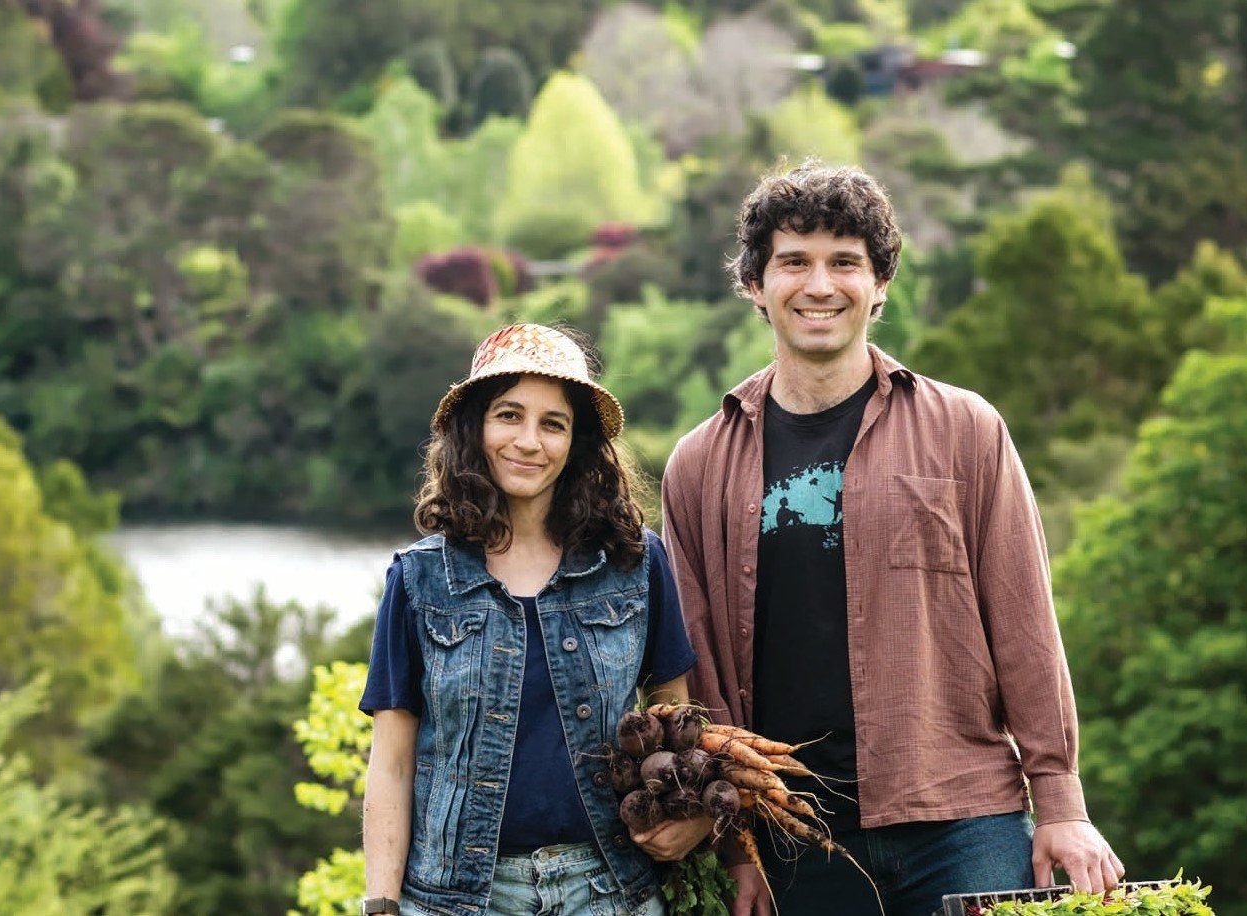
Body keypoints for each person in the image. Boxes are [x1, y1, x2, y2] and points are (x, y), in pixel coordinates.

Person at [659, 163, 1124, 916]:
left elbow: (1024, 621)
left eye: (845, 262)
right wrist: (734, 845)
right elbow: (699, 669)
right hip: (792, 838)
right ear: (755, 284)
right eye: (794, 262)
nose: (820, 285)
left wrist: (1062, 803)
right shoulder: (697, 463)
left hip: (962, 819)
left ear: (879, 284)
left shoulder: (964, 429)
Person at [358, 324, 699, 916]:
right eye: (508, 415)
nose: (528, 441)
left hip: (609, 889)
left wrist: (688, 816)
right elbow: (391, 763)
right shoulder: (418, 580)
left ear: (578, 442)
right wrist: (381, 904)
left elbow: (678, 719)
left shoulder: (635, 563)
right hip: (456, 900)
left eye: (553, 423)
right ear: (474, 428)